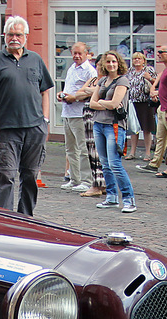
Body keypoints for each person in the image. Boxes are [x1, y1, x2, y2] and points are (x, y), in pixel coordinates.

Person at [0, 16, 53, 216]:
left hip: (34, 128)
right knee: (7, 175)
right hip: (7, 129)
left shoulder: (35, 59)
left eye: (18, 34)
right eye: (11, 34)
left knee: (30, 175)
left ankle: (26, 218)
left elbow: (45, 91)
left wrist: (45, 120)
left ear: (26, 36)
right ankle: (5, 219)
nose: (14, 38)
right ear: (4, 36)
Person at [88, 51, 135, 212]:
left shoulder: (122, 80)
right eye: (108, 62)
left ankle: (129, 199)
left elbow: (115, 103)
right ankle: (112, 197)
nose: (111, 64)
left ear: (118, 63)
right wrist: (104, 103)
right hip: (98, 124)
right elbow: (91, 103)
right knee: (105, 163)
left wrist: (101, 102)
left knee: (115, 163)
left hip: (114, 126)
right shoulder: (102, 80)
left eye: (114, 61)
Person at [137, 44, 167, 174]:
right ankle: (154, 163)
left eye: (161, 52)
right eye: (158, 52)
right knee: (161, 138)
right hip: (162, 107)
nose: (158, 54)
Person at [58, 42, 94, 192]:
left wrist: (76, 97)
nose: (77, 56)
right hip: (67, 112)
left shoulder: (90, 71)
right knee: (70, 149)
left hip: (80, 114)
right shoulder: (72, 68)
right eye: (74, 53)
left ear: (86, 54)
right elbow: (68, 88)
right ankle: (74, 178)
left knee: (83, 148)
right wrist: (62, 95)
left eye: (80, 53)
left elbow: (92, 92)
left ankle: (86, 180)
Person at [77, 53, 106, 198]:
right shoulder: (94, 79)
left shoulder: (108, 81)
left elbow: (100, 93)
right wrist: (91, 91)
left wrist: (90, 91)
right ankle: (98, 182)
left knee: (99, 151)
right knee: (90, 150)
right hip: (87, 116)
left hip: (99, 117)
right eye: (98, 64)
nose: (99, 67)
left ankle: (100, 183)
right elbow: (79, 93)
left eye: (102, 64)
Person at [126, 51, 156, 161]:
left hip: (145, 102)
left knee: (146, 128)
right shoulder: (130, 71)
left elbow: (156, 83)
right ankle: (132, 151)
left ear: (144, 60)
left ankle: (148, 152)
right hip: (133, 102)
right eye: (135, 59)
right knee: (134, 128)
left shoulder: (148, 70)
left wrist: (150, 78)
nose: (137, 61)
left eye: (139, 59)